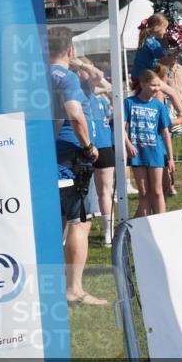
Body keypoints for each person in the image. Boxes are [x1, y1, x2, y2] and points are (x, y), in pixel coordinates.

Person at [49, 27, 106, 306]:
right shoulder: (67, 78)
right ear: (70, 50)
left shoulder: (36, 76)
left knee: (57, 222)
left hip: (48, 155)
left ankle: (56, 286)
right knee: (79, 222)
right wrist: (87, 146)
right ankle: (74, 289)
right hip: (72, 156)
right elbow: (75, 115)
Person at [123, 70, 174, 217]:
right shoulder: (129, 102)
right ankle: (143, 226)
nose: (157, 89)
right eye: (153, 85)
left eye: (159, 85)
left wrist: (170, 158)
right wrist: (128, 144)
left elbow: (165, 132)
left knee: (157, 190)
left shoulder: (159, 105)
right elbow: (122, 126)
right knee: (144, 193)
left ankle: (160, 222)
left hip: (155, 152)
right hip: (137, 153)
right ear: (143, 84)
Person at [78, 59, 115, 246]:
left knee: (105, 190)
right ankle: (74, 230)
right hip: (85, 143)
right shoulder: (78, 87)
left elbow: (105, 83)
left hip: (103, 143)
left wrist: (85, 65)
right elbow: (99, 79)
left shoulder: (93, 89)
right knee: (79, 191)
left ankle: (109, 231)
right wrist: (81, 67)